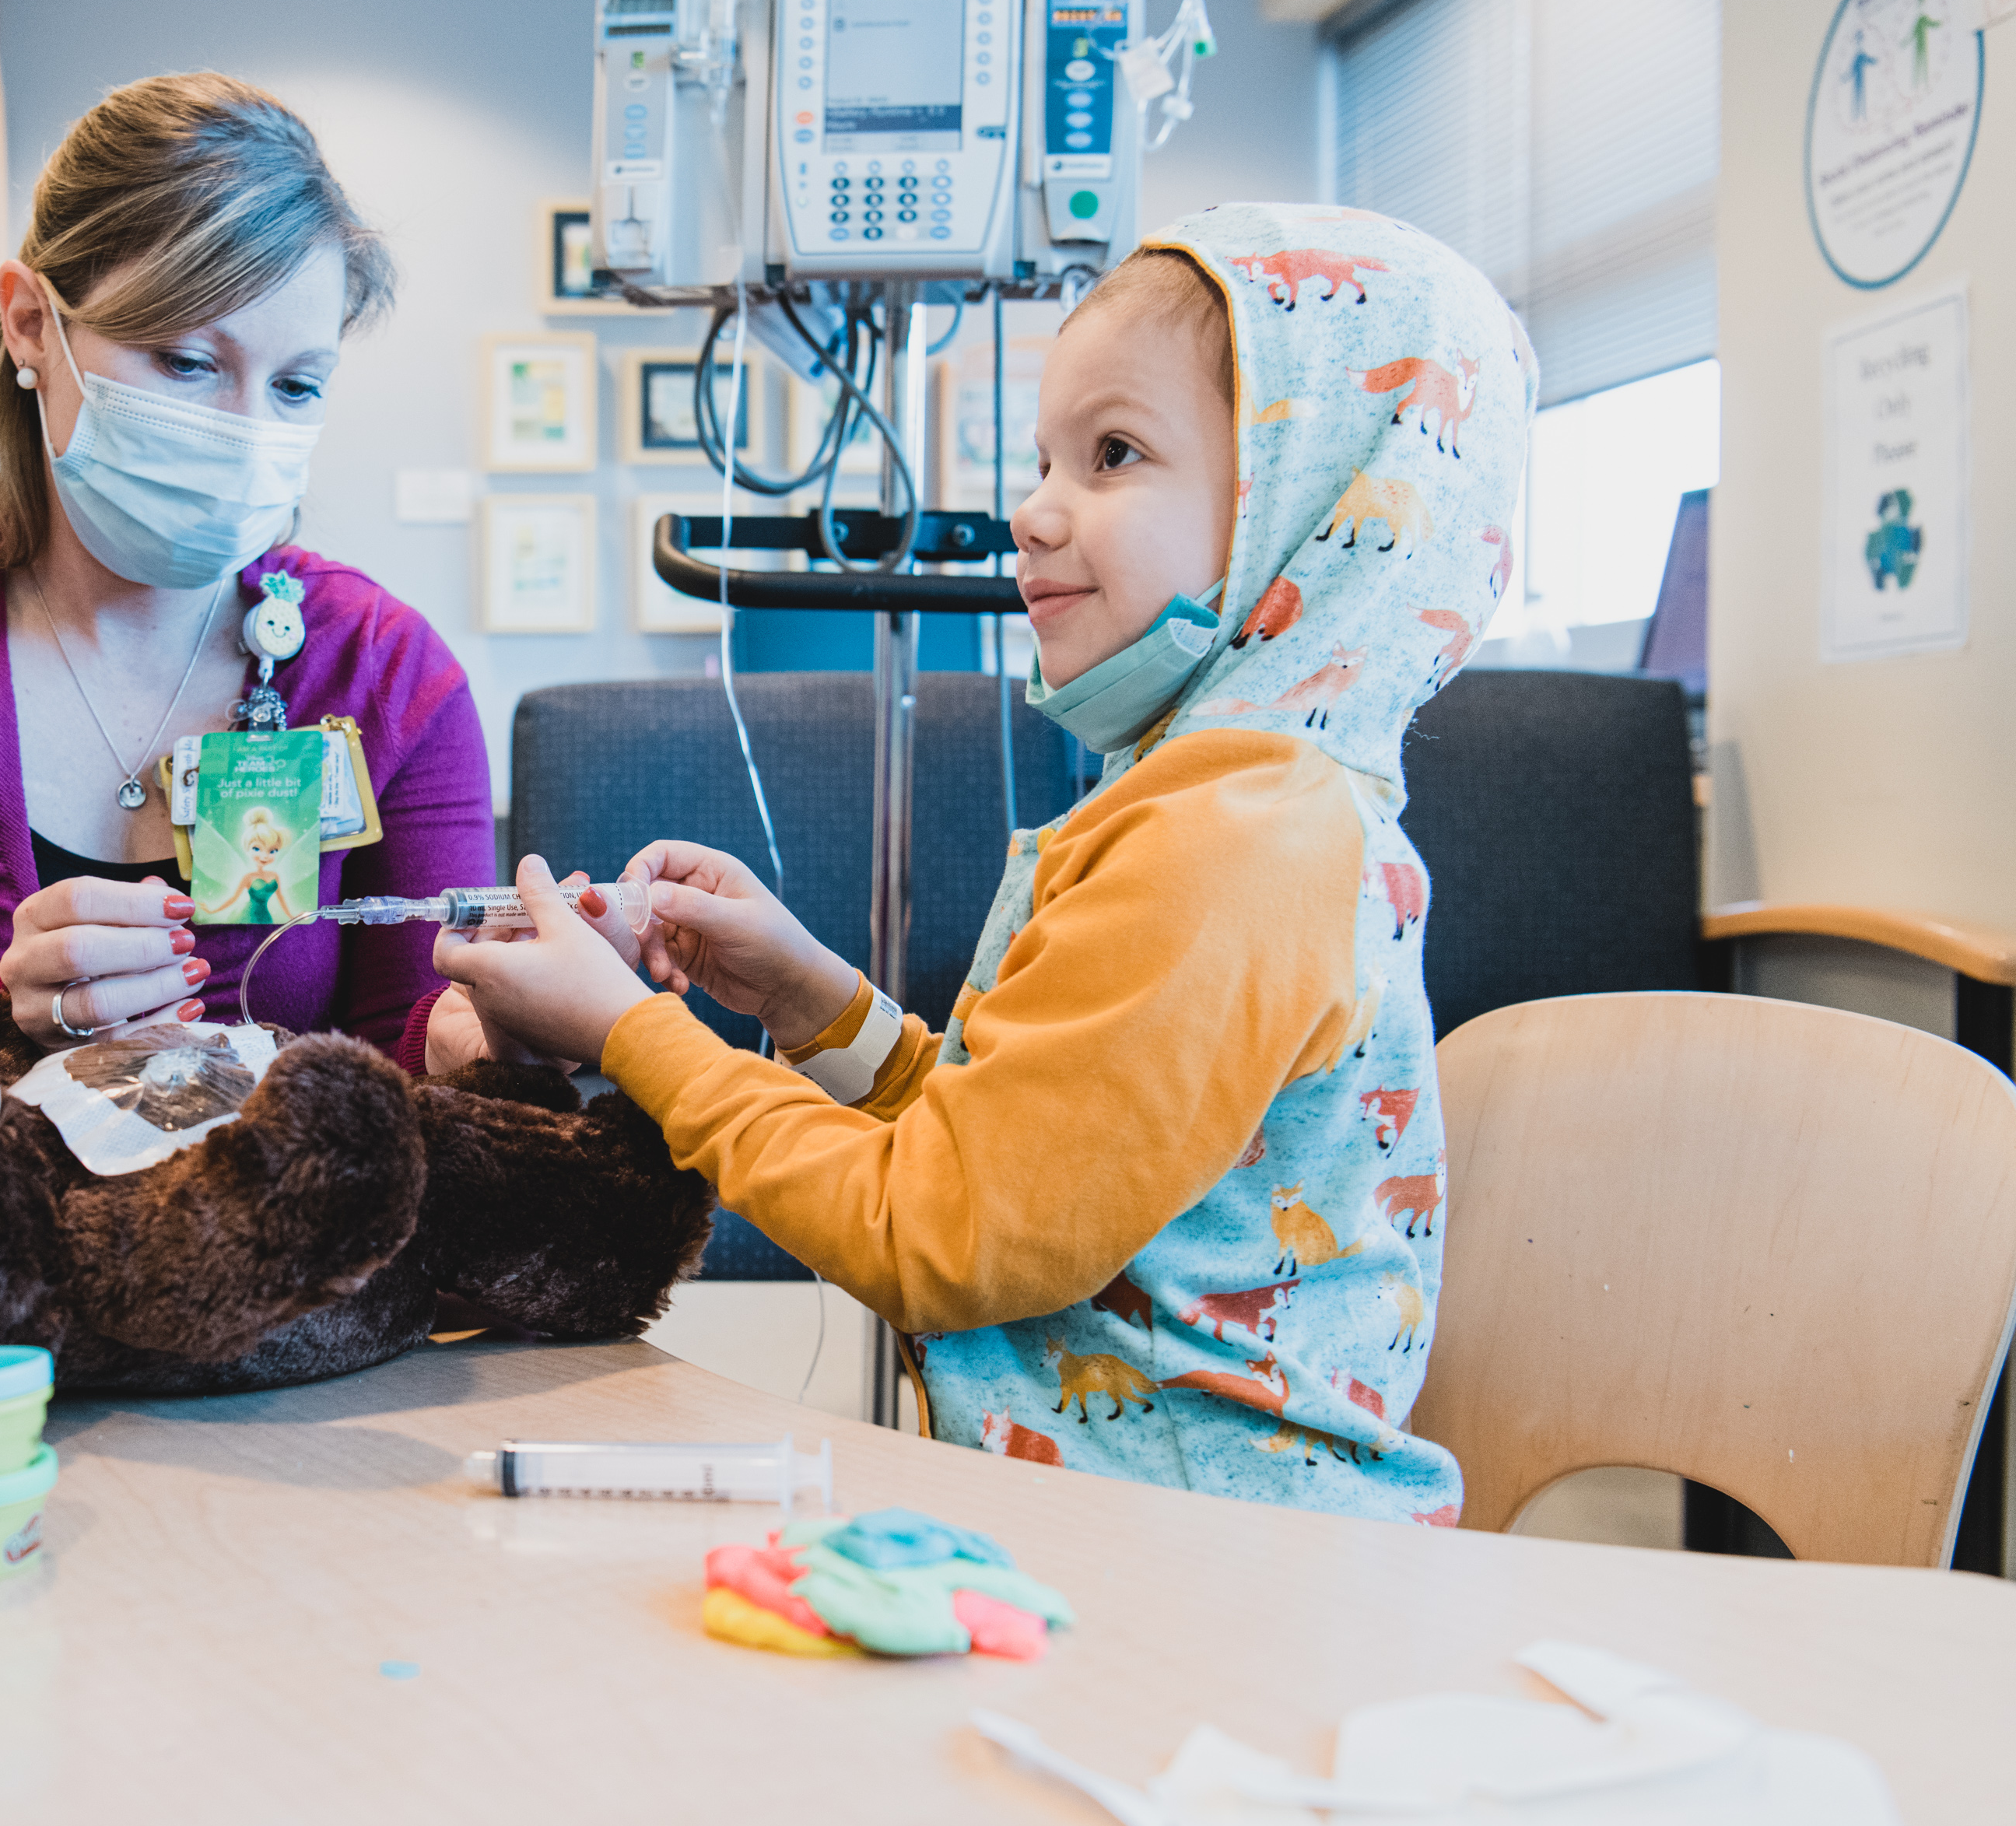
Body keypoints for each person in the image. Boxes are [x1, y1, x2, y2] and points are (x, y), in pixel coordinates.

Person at [437, 205, 1533, 1523]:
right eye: (1044, 460)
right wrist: (806, 999)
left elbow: (940, 1232)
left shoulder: (1234, 842)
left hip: (1209, 1571)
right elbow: (1014, 1152)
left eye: (1114, 455)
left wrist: (631, 1038)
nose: (1034, 511)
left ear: (1309, 506)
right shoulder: (1235, 803)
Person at [0, 73, 500, 1084]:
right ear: (31, 324)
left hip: (289, 1240)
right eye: (185, 362)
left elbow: (414, 1057)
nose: (246, 429)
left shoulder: (386, 674)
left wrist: (494, 1037)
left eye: (296, 385)